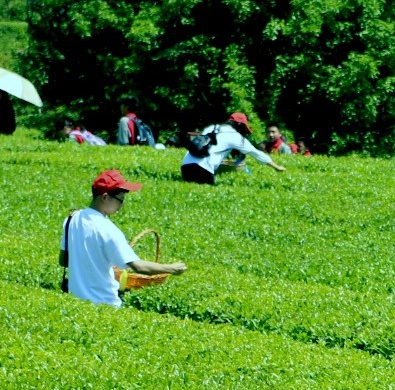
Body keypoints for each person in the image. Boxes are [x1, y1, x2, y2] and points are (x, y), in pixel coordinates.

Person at [59, 170, 186, 307]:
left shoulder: (72, 219)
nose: (122, 205)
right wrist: (171, 268)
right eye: (120, 200)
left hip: (77, 302)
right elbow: (138, 267)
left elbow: (63, 260)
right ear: (105, 197)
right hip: (105, 304)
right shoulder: (108, 229)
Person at [181, 112, 285, 184]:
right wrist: (276, 167)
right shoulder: (235, 136)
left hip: (185, 169)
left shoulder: (213, 128)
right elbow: (256, 153)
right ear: (240, 126)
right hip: (203, 172)